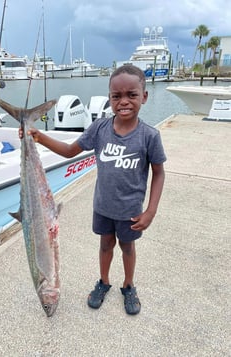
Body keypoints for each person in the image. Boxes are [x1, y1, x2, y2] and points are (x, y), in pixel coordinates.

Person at [19, 65, 166, 315]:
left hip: (130, 210)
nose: (124, 102)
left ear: (144, 96)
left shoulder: (149, 136)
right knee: (105, 245)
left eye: (131, 94)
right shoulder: (99, 129)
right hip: (103, 207)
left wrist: (150, 211)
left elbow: (159, 172)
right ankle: (104, 282)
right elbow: (69, 151)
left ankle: (129, 286)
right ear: (109, 98)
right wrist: (38, 137)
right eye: (116, 96)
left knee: (128, 248)